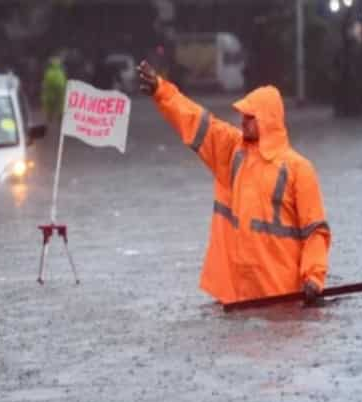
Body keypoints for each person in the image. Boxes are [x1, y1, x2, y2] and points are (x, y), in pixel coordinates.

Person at [138, 60, 331, 305]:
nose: (243, 120)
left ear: (267, 120)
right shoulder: (233, 151)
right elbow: (196, 121)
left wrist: (313, 278)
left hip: (281, 297)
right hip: (237, 296)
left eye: (250, 117)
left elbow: (315, 231)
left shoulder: (299, 169)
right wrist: (161, 91)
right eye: (243, 115)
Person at [41, 57, 67, 124]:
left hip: (50, 96)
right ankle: (60, 120)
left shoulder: (48, 72)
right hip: (59, 95)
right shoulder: (61, 73)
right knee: (60, 109)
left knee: (50, 111)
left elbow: (45, 84)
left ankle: (49, 121)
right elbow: (62, 84)